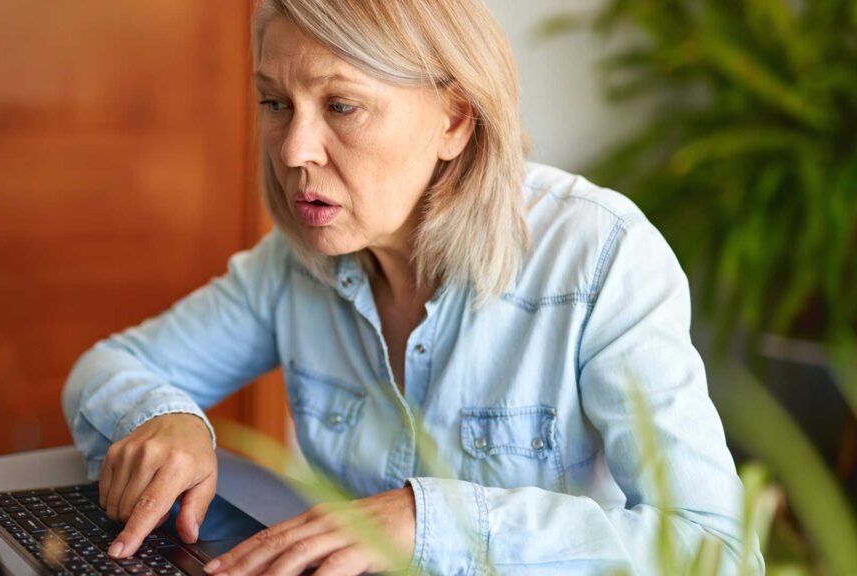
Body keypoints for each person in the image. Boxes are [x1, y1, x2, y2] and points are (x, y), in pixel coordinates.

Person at [62, 0, 765, 574]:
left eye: (341, 106)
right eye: (275, 103)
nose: (292, 150)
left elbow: (715, 549)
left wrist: (435, 521)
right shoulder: (291, 265)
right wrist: (164, 418)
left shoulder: (600, 258)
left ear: (454, 120)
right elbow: (108, 368)